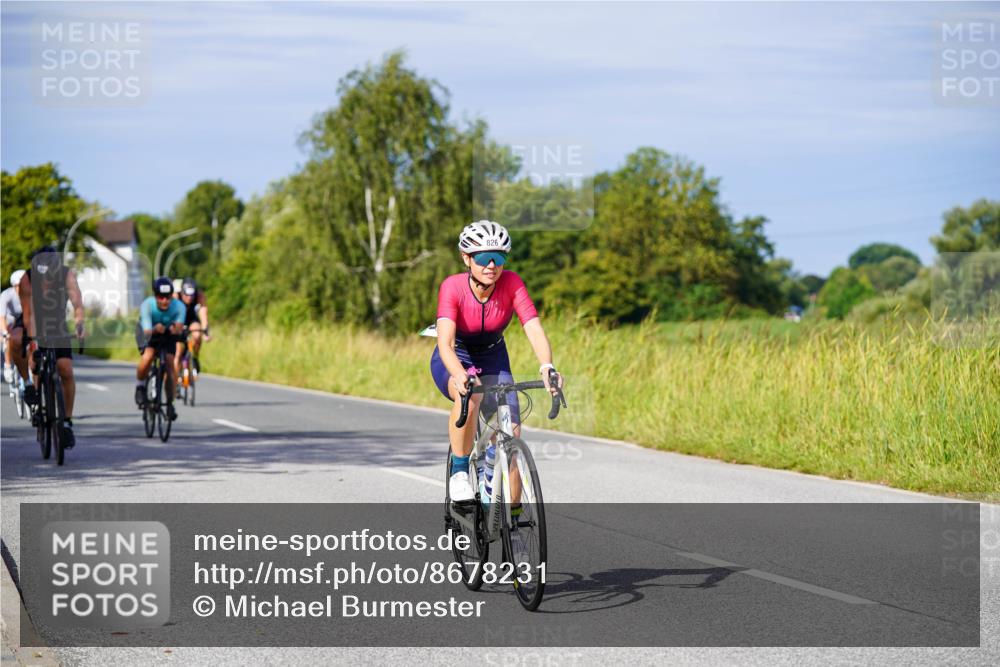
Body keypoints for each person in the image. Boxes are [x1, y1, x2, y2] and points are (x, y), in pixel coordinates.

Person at [430, 220, 564, 502]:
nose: (492, 264)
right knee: (470, 394)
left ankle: (512, 525)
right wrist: (459, 374)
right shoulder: (452, 287)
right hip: (457, 353)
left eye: (499, 257)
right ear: (466, 258)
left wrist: (547, 366)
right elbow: (445, 343)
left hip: (493, 354)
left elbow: (532, 326)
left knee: (511, 436)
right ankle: (459, 472)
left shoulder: (512, 282)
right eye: (482, 257)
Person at [20, 246, 85, 449]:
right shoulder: (27, 279)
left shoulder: (67, 276)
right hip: (35, 322)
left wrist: (80, 324)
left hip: (57, 325)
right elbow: (28, 315)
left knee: (65, 369)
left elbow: (78, 305)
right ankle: (39, 402)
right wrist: (34, 342)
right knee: (35, 361)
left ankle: (66, 421)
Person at [135, 276, 185, 421]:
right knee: (148, 356)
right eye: (160, 297)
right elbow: (146, 331)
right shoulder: (147, 305)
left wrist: (175, 329)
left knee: (170, 366)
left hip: (168, 333)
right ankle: (140, 386)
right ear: (155, 295)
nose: (164, 301)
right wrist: (155, 329)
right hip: (149, 332)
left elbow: (179, 327)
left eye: (168, 297)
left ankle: (170, 402)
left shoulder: (179, 306)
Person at [174, 277, 209, 380]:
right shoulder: (175, 296)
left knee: (197, 334)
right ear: (181, 292)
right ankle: (175, 382)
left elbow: (203, 314)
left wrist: (205, 331)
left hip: (191, 318)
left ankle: (195, 357)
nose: (189, 298)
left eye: (191, 295)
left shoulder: (199, 296)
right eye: (186, 295)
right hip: (179, 320)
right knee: (178, 352)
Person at [1, 270, 25, 384]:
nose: (21, 288)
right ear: (14, 286)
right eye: (18, 286)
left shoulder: (31, 294)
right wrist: (4, 332)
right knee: (8, 338)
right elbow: (2, 317)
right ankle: (7, 365)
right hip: (9, 319)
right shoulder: (6, 295)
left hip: (24, 320)